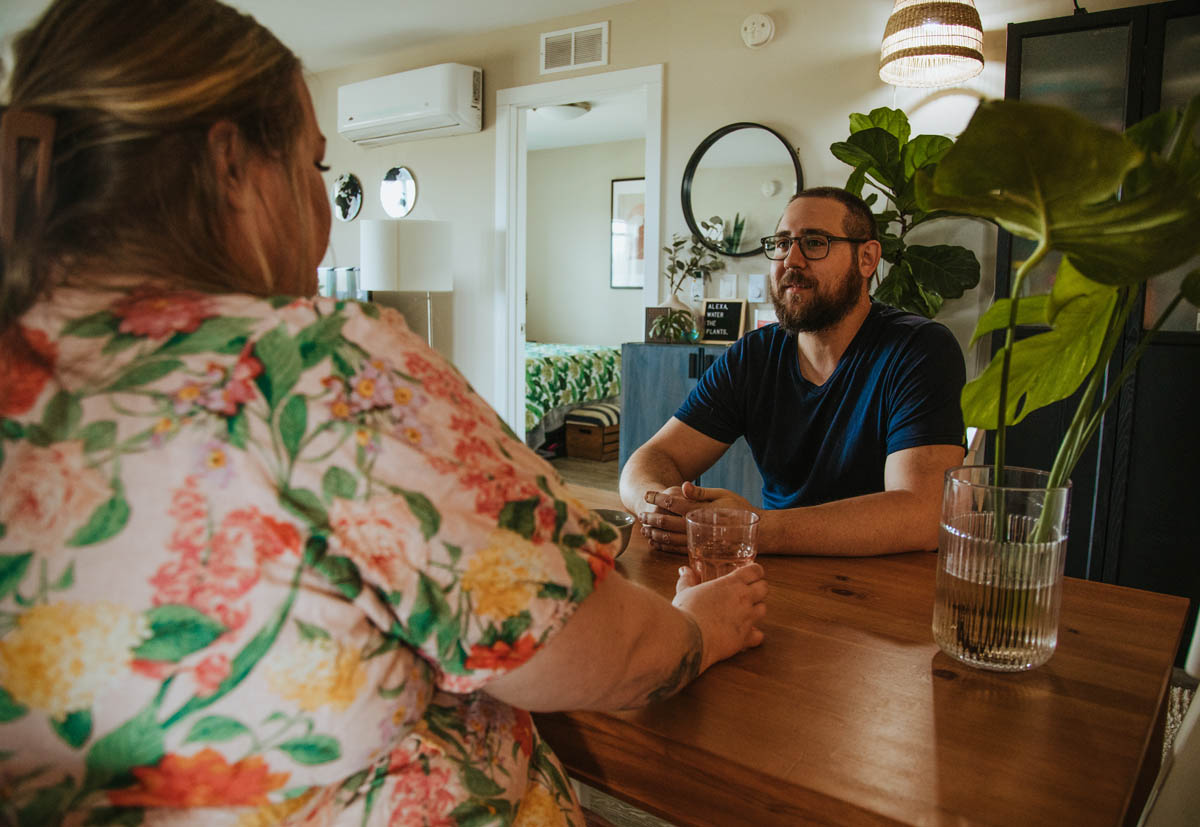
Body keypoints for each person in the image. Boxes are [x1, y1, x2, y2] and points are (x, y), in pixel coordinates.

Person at [0, 1, 767, 823]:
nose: (325, 217)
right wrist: (701, 629)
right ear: (230, 163)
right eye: (315, 168)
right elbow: (606, 657)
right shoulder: (319, 370)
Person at [620, 187, 966, 557]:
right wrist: (659, 506)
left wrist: (753, 529)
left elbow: (922, 513)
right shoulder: (753, 356)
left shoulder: (918, 350)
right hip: (777, 574)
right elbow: (651, 460)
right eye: (782, 243)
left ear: (867, 259)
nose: (791, 260)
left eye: (815, 242)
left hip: (885, 584)